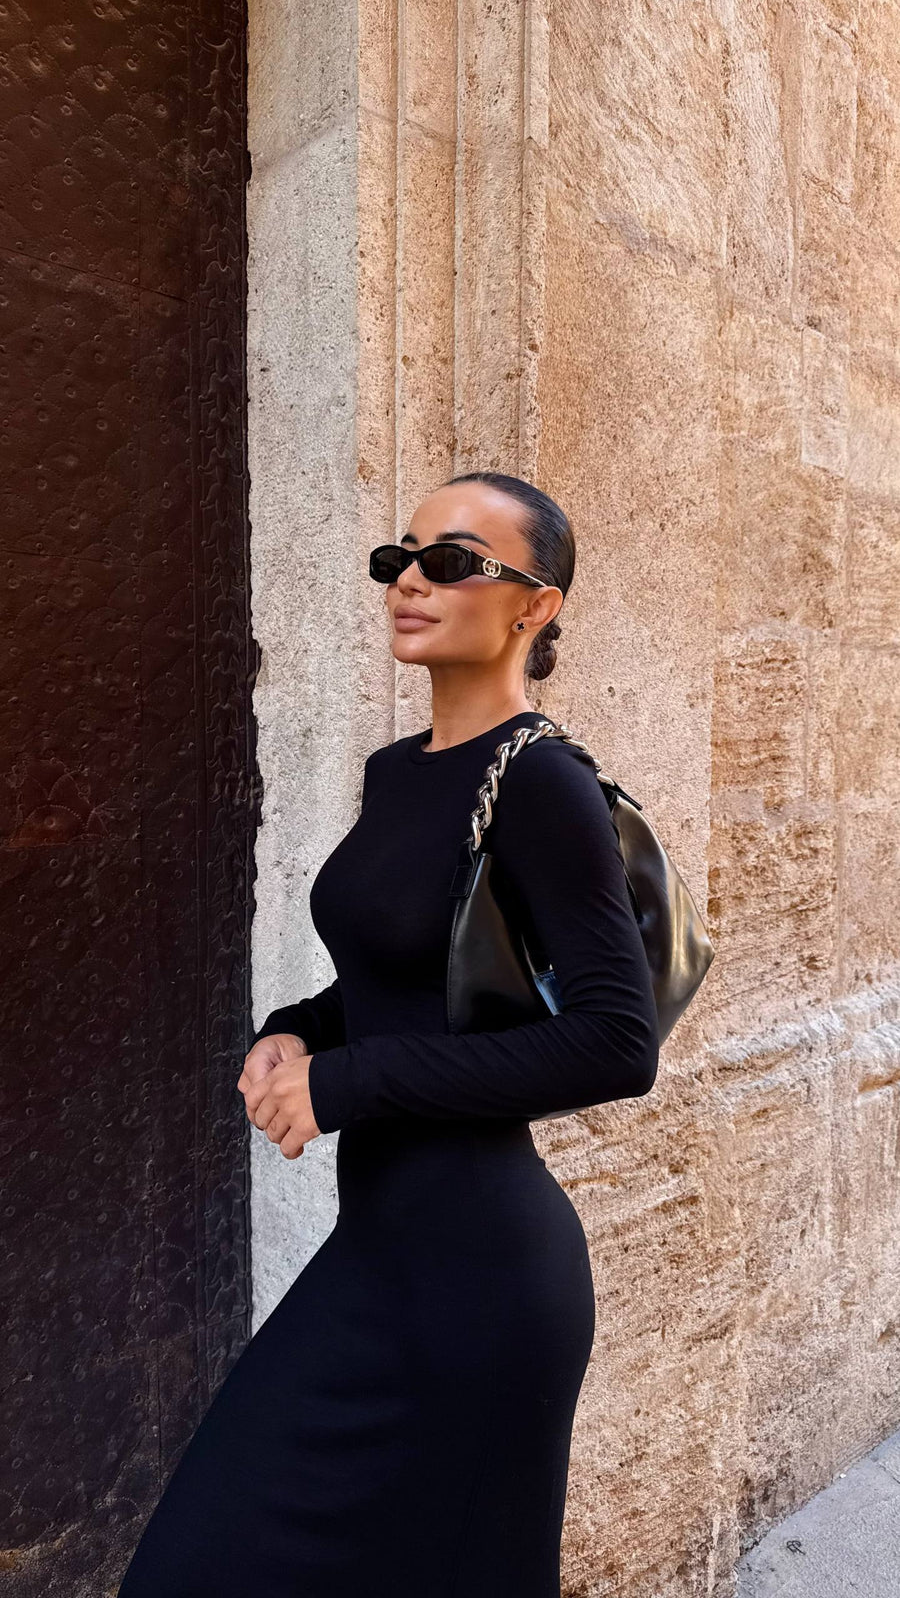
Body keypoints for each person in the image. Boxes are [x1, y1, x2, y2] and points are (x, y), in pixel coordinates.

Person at [116, 470, 659, 1597]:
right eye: (400, 557)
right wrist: (290, 1032)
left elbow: (617, 1041)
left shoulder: (543, 782)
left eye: (453, 561)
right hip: (384, 1258)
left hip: (486, 1284)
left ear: (534, 605)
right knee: (193, 1566)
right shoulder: (397, 774)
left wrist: (351, 1083)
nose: (410, 579)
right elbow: (388, 975)